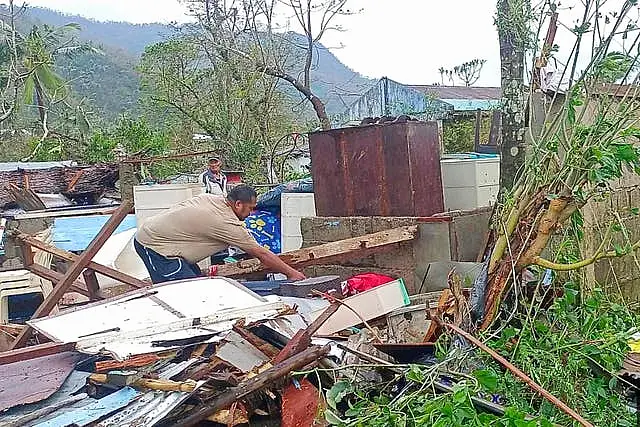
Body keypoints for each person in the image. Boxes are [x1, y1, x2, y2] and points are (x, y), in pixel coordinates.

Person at [134, 185, 306, 284]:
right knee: (183, 293)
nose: (252, 213)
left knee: (197, 282)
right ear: (238, 204)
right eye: (251, 208)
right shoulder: (225, 222)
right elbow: (261, 253)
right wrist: (292, 274)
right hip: (153, 246)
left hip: (165, 240)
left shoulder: (212, 199)